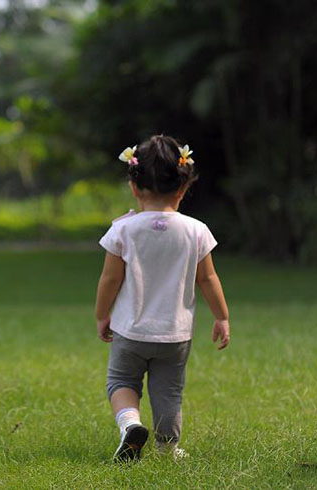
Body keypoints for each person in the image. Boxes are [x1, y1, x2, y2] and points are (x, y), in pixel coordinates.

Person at [95, 134, 230, 463]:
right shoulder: (196, 230)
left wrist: (102, 314)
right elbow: (207, 278)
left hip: (130, 332)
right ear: (183, 189)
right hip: (175, 335)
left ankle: (130, 426)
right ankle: (167, 448)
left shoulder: (123, 230)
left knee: (122, 380)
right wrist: (221, 316)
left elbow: (110, 278)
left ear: (134, 187)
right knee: (168, 392)